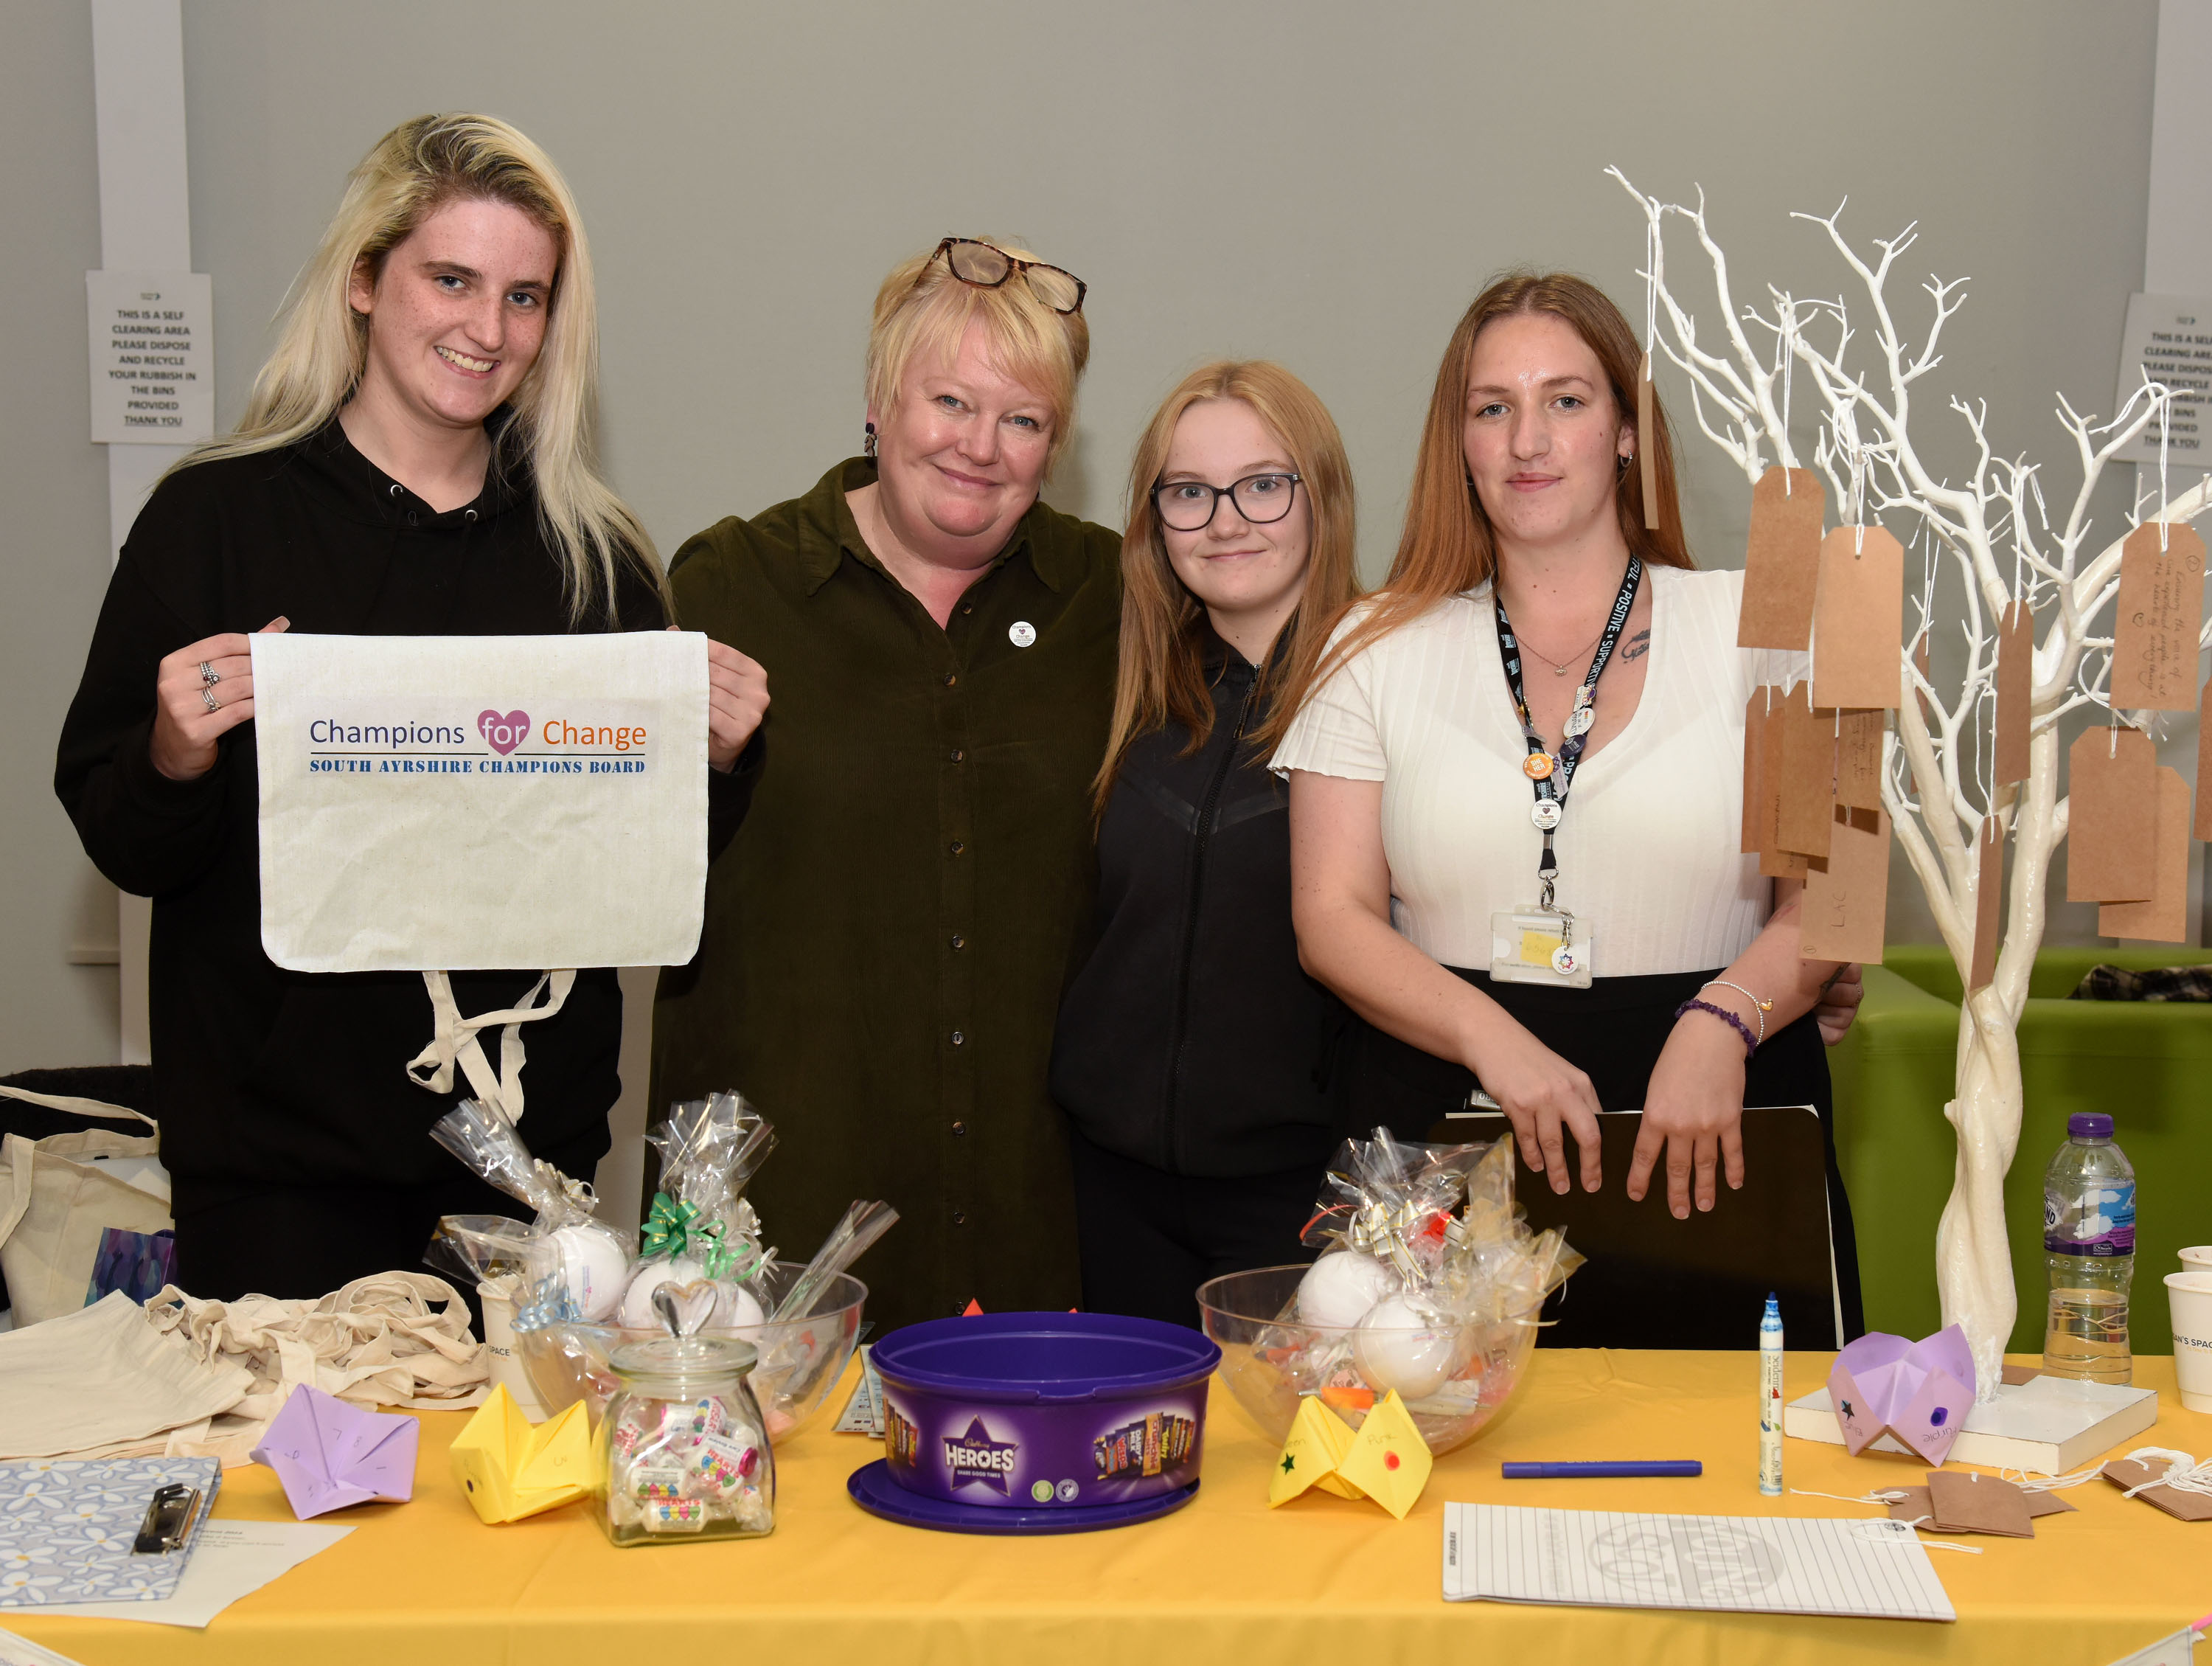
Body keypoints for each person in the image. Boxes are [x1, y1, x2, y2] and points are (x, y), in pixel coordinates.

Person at [54, 114, 768, 1303]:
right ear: (363, 281)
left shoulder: (594, 561)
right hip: (275, 1178)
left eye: (525, 297)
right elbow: (126, 843)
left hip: (531, 1174)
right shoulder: (217, 524)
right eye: (452, 280)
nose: (488, 330)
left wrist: (719, 762)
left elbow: (637, 870)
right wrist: (173, 753)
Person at [1273, 271, 1865, 1347]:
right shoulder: (1373, 645)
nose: (1527, 440)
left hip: (1711, 1107)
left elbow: (1834, 898)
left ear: (1627, 432)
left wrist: (1725, 1021)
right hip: (1451, 1113)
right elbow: (1330, 916)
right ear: (1459, 442)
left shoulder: (1766, 628)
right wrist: (1490, 1038)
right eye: (1492, 408)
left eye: (1567, 400)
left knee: (1738, 1443)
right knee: (1431, 1441)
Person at [652, 238, 1119, 1332]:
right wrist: (702, 768)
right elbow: (617, 872)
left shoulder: (1117, 599)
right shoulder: (731, 584)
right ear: (878, 400)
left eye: (1022, 419)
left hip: (1039, 1232)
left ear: (1056, 443)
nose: (979, 447)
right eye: (949, 401)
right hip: (775, 1232)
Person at [1050, 362, 1361, 1329]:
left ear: (1322, 496)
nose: (1226, 521)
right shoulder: (1121, 686)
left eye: (1263, 485)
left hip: (1302, 1204)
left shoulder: (1389, 684)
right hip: (1109, 1194)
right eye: (1189, 492)